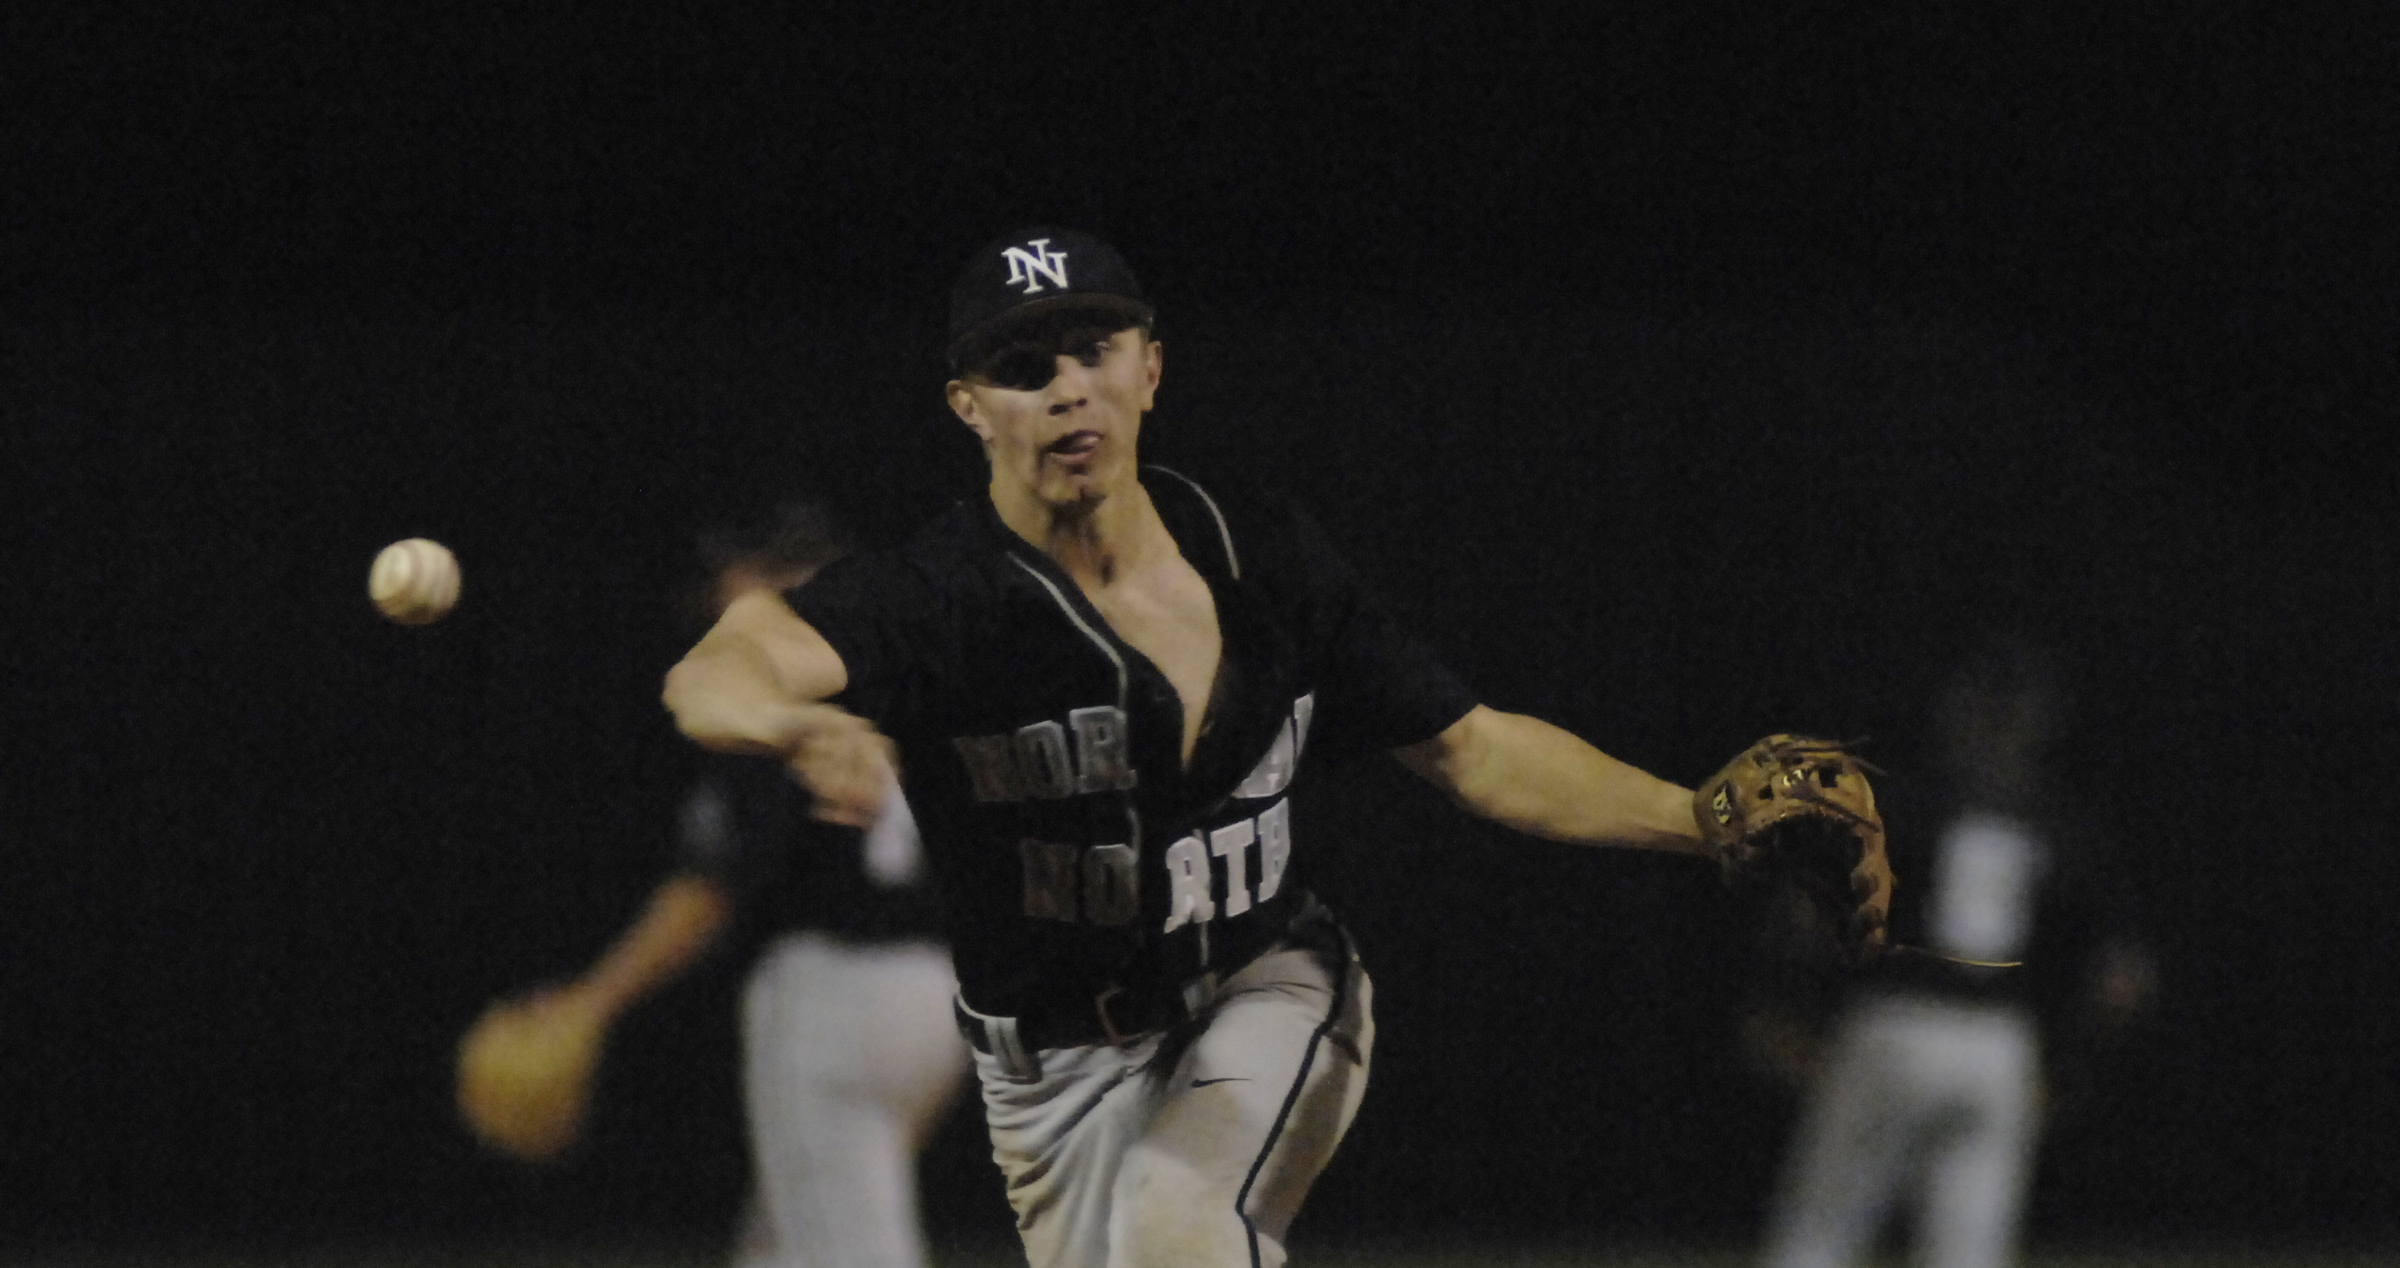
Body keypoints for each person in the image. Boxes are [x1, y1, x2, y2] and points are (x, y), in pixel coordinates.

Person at [659, 227, 1880, 1268]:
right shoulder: (937, 598)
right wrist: (794, 718)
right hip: (1053, 1076)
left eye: (1094, 350)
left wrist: (1693, 814)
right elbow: (719, 666)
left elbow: (1472, 749)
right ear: (967, 406)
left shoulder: (1260, 559)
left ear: (1150, 366)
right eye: (1024, 367)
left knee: (1172, 1226)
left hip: (1265, 986)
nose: (1069, 388)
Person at [484, 502, 969, 1268]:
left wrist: (592, 1000)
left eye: (730, 576)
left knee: (850, 1250)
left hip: (834, 995)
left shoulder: (771, 681)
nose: (719, 598)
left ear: (765, 576)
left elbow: (709, 889)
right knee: (782, 1241)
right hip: (941, 997)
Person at [1753, 635, 2154, 1268]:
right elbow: (2122, 983)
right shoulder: (2066, 824)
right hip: (2000, 1047)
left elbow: (1805, 917)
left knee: (1821, 1236)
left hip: (1895, 1024)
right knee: (1970, 1253)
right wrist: (2073, 1067)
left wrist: (1781, 1009)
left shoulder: (1905, 803)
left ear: (1956, 711)